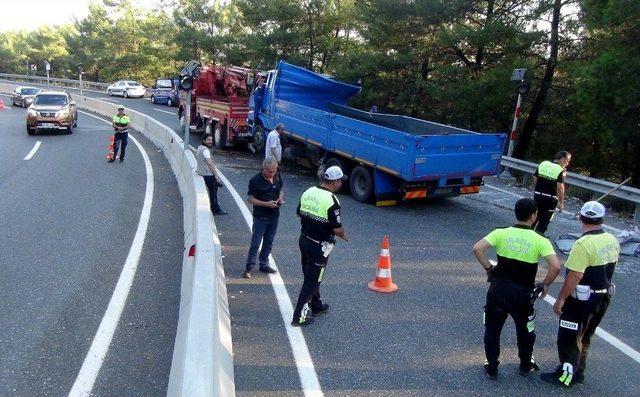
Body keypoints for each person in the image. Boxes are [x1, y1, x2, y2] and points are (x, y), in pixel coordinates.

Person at [472, 198, 561, 380]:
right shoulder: (539, 240)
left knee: (492, 329)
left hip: (498, 290)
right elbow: (556, 267)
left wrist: (489, 269)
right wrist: (544, 283)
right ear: (534, 215)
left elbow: (477, 248)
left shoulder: (501, 233)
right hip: (522, 294)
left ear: (516, 213)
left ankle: (492, 367)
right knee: (525, 331)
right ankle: (525, 365)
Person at [540, 201, 620, 387]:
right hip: (603, 297)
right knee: (585, 335)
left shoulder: (583, 244)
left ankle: (566, 376)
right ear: (602, 219)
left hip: (581, 300)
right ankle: (579, 371)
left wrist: (561, 299)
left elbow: (575, 275)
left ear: (581, 217)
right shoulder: (612, 239)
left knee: (569, 336)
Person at [292, 165, 349, 326]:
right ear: (335, 181)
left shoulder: (308, 191)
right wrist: (344, 235)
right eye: (340, 181)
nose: (341, 184)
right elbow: (337, 229)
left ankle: (316, 305)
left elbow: (298, 213)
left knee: (310, 275)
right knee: (312, 281)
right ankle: (299, 317)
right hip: (319, 246)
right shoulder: (332, 200)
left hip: (304, 239)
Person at [243, 158, 283, 278]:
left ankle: (264, 264)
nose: (273, 173)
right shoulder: (255, 181)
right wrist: (266, 204)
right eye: (270, 171)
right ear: (264, 168)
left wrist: (280, 198)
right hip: (260, 217)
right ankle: (249, 268)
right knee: (255, 243)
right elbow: (250, 199)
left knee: (268, 242)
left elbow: (281, 189)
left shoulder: (278, 176)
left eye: (275, 171)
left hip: (274, 216)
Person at [532, 151, 572, 235]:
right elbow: (560, 188)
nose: (567, 164)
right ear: (562, 159)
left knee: (534, 217)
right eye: (567, 161)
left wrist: (539, 188)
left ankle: (527, 236)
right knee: (544, 221)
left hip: (537, 196)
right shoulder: (561, 170)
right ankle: (538, 237)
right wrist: (561, 202)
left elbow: (535, 177)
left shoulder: (544, 164)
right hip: (550, 199)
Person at [196, 134, 227, 216]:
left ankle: (214, 208)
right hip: (208, 175)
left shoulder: (199, 148)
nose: (210, 141)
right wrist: (216, 175)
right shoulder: (205, 150)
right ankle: (216, 209)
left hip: (201, 172)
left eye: (211, 140)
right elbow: (210, 163)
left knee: (212, 192)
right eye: (208, 140)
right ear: (204, 140)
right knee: (213, 193)